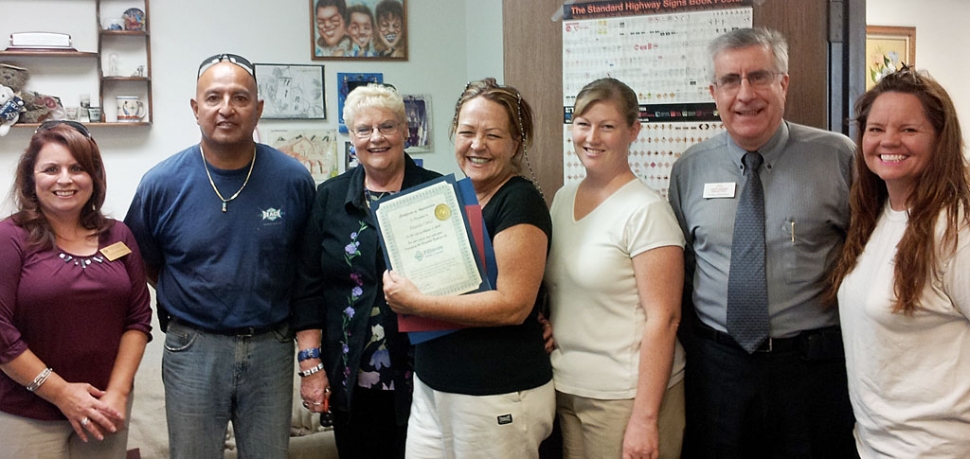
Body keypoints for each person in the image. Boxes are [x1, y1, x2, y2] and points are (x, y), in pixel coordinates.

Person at [667, 27, 857, 457]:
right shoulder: (689, 169)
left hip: (810, 370)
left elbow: (865, 255)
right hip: (718, 370)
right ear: (714, 92)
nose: (744, 93)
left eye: (759, 76)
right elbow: (683, 268)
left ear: (784, 83)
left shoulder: (838, 158)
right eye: (730, 80)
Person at [124, 53, 315, 458]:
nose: (226, 109)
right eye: (213, 98)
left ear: (258, 109)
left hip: (271, 346)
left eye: (240, 98)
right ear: (196, 109)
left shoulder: (293, 179)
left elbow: (304, 266)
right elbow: (142, 259)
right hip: (193, 346)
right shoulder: (161, 183)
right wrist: (195, 291)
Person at [383, 78, 554, 458]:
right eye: (467, 132)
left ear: (516, 144)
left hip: (494, 392)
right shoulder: (454, 198)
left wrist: (416, 302)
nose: (477, 145)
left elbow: (513, 305)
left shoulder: (519, 201)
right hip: (435, 385)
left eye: (493, 135)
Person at [292, 83, 441, 459]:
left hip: (428, 374)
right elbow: (308, 287)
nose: (376, 138)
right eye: (364, 129)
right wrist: (311, 367)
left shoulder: (437, 192)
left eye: (387, 126)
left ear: (406, 131)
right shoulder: (328, 198)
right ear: (351, 136)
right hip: (350, 376)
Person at [830, 67, 970, 457]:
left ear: (941, 139)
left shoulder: (956, 228)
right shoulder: (878, 215)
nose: (888, 140)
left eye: (909, 129)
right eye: (875, 129)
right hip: (876, 445)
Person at [545, 78, 686, 459]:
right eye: (583, 123)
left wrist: (644, 419)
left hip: (626, 397)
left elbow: (665, 320)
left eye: (607, 126)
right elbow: (563, 291)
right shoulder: (562, 198)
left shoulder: (647, 212)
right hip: (568, 387)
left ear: (633, 131)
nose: (592, 137)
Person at [0, 121, 152, 458]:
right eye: (51, 169)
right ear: (31, 178)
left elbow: (138, 320)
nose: (65, 179)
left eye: (77, 168)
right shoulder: (9, 238)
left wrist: (118, 394)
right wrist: (61, 393)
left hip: (104, 410)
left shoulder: (119, 236)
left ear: (94, 177)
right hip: (27, 414)